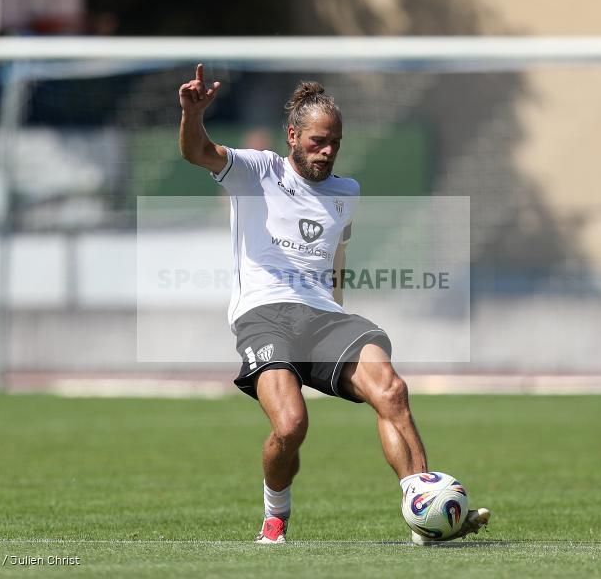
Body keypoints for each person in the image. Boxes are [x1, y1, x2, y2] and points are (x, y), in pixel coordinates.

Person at [178, 64, 490, 545]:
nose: (326, 152)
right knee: (291, 425)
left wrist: (339, 317)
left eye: (335, 144)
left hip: (323, 316)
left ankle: (427, 510)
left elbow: (336, 262)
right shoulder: (258, 170)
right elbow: (197, 151)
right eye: (317, 142)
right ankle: (274, 517)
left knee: (391, 391)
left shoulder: (347, 192)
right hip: (264, 315)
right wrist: (192, 114)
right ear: (293, 135)